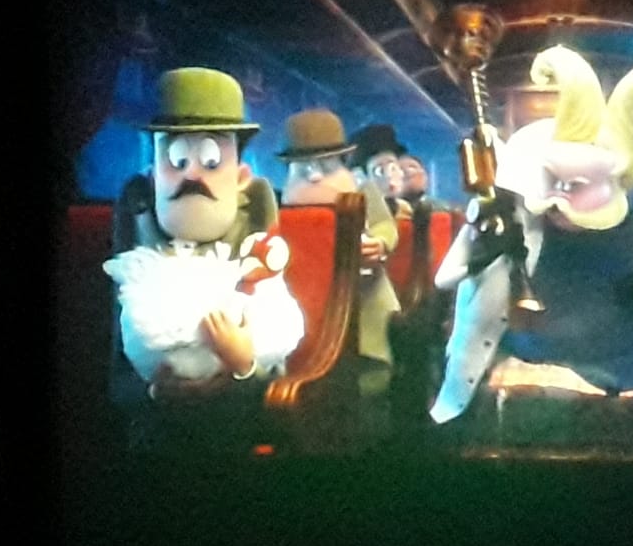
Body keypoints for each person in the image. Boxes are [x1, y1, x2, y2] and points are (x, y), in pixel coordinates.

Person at [429, 45, 633, 423]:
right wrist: (484, 246)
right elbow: (449, 278)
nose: (561, 208)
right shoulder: (513, 203)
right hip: (520, 364)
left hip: (624, 373)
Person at [102, 68, 304, 403]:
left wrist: (243, 364)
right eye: (177, 160)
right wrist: (154, 390)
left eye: (211, 161)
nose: (192, 175)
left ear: (241, 177)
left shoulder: (255, 239)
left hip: (240, 418)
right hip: (156, 423)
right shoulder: (137, 233)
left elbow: (276, 355)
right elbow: (118, 367)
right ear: (153, 176)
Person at [278, 109, 402, 367]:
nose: (315, 175)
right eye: (304, 166)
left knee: (369, 347)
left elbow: (384, 224)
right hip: (304, 300)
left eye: (325, 165)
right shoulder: (282, 204)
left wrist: (379, 243)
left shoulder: (362, 191)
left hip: (362, 299)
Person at [350, 123, 413, 219]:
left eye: (393, 168)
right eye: (379, 171)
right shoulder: (358, 215)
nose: (388, 176)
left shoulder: (408, 211)